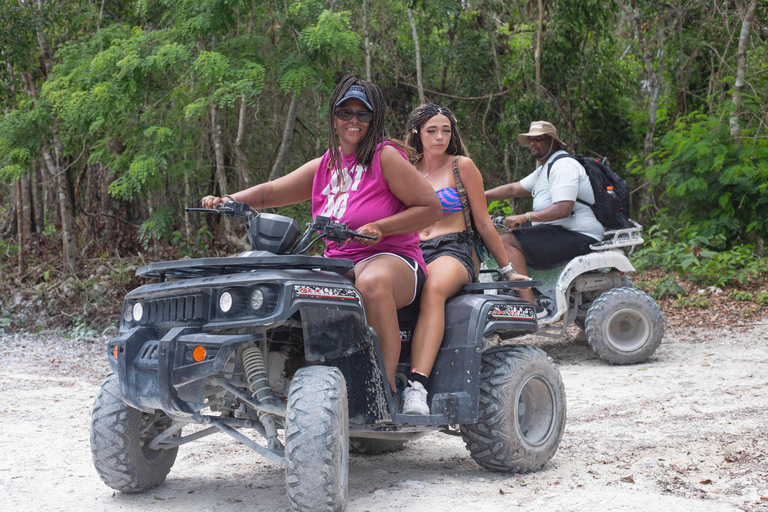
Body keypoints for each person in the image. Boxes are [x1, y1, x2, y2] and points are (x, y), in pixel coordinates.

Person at [201, 75, 442, 397]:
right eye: (346, 113)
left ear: (375, 119)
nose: (353, 121)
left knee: (371, 282)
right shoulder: (327, 163)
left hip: (392, 257)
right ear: (334, 117)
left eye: (363, 114)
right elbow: (272, 192)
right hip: (337, 264)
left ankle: (381, 391)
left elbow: (430, 208)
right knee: (266, 276)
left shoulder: (385, 157)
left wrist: (381, 228)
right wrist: (229, 200)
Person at [400, 104, 529, 415]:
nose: (440, 136)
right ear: (417, 132)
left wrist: (508, 270)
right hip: (414, 248)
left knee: (432, 288)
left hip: (454, 249)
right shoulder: (406, 169)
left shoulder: (462, 166)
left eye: (446, 130)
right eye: (431, 130)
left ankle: (416, 387)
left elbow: (483, 223)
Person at [485, 121, 604, 314]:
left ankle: (531, 307)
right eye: (531, 140)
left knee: (505, 241)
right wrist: (478, 195)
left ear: (553, 142)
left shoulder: (563, 166)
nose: (533, 143)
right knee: (508, 233)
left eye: (539, 139)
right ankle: (529, 293)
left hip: (580, 235)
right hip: (560, 232)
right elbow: (513, 189)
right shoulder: (544, 169)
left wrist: (524, 217)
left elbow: (562, 209)